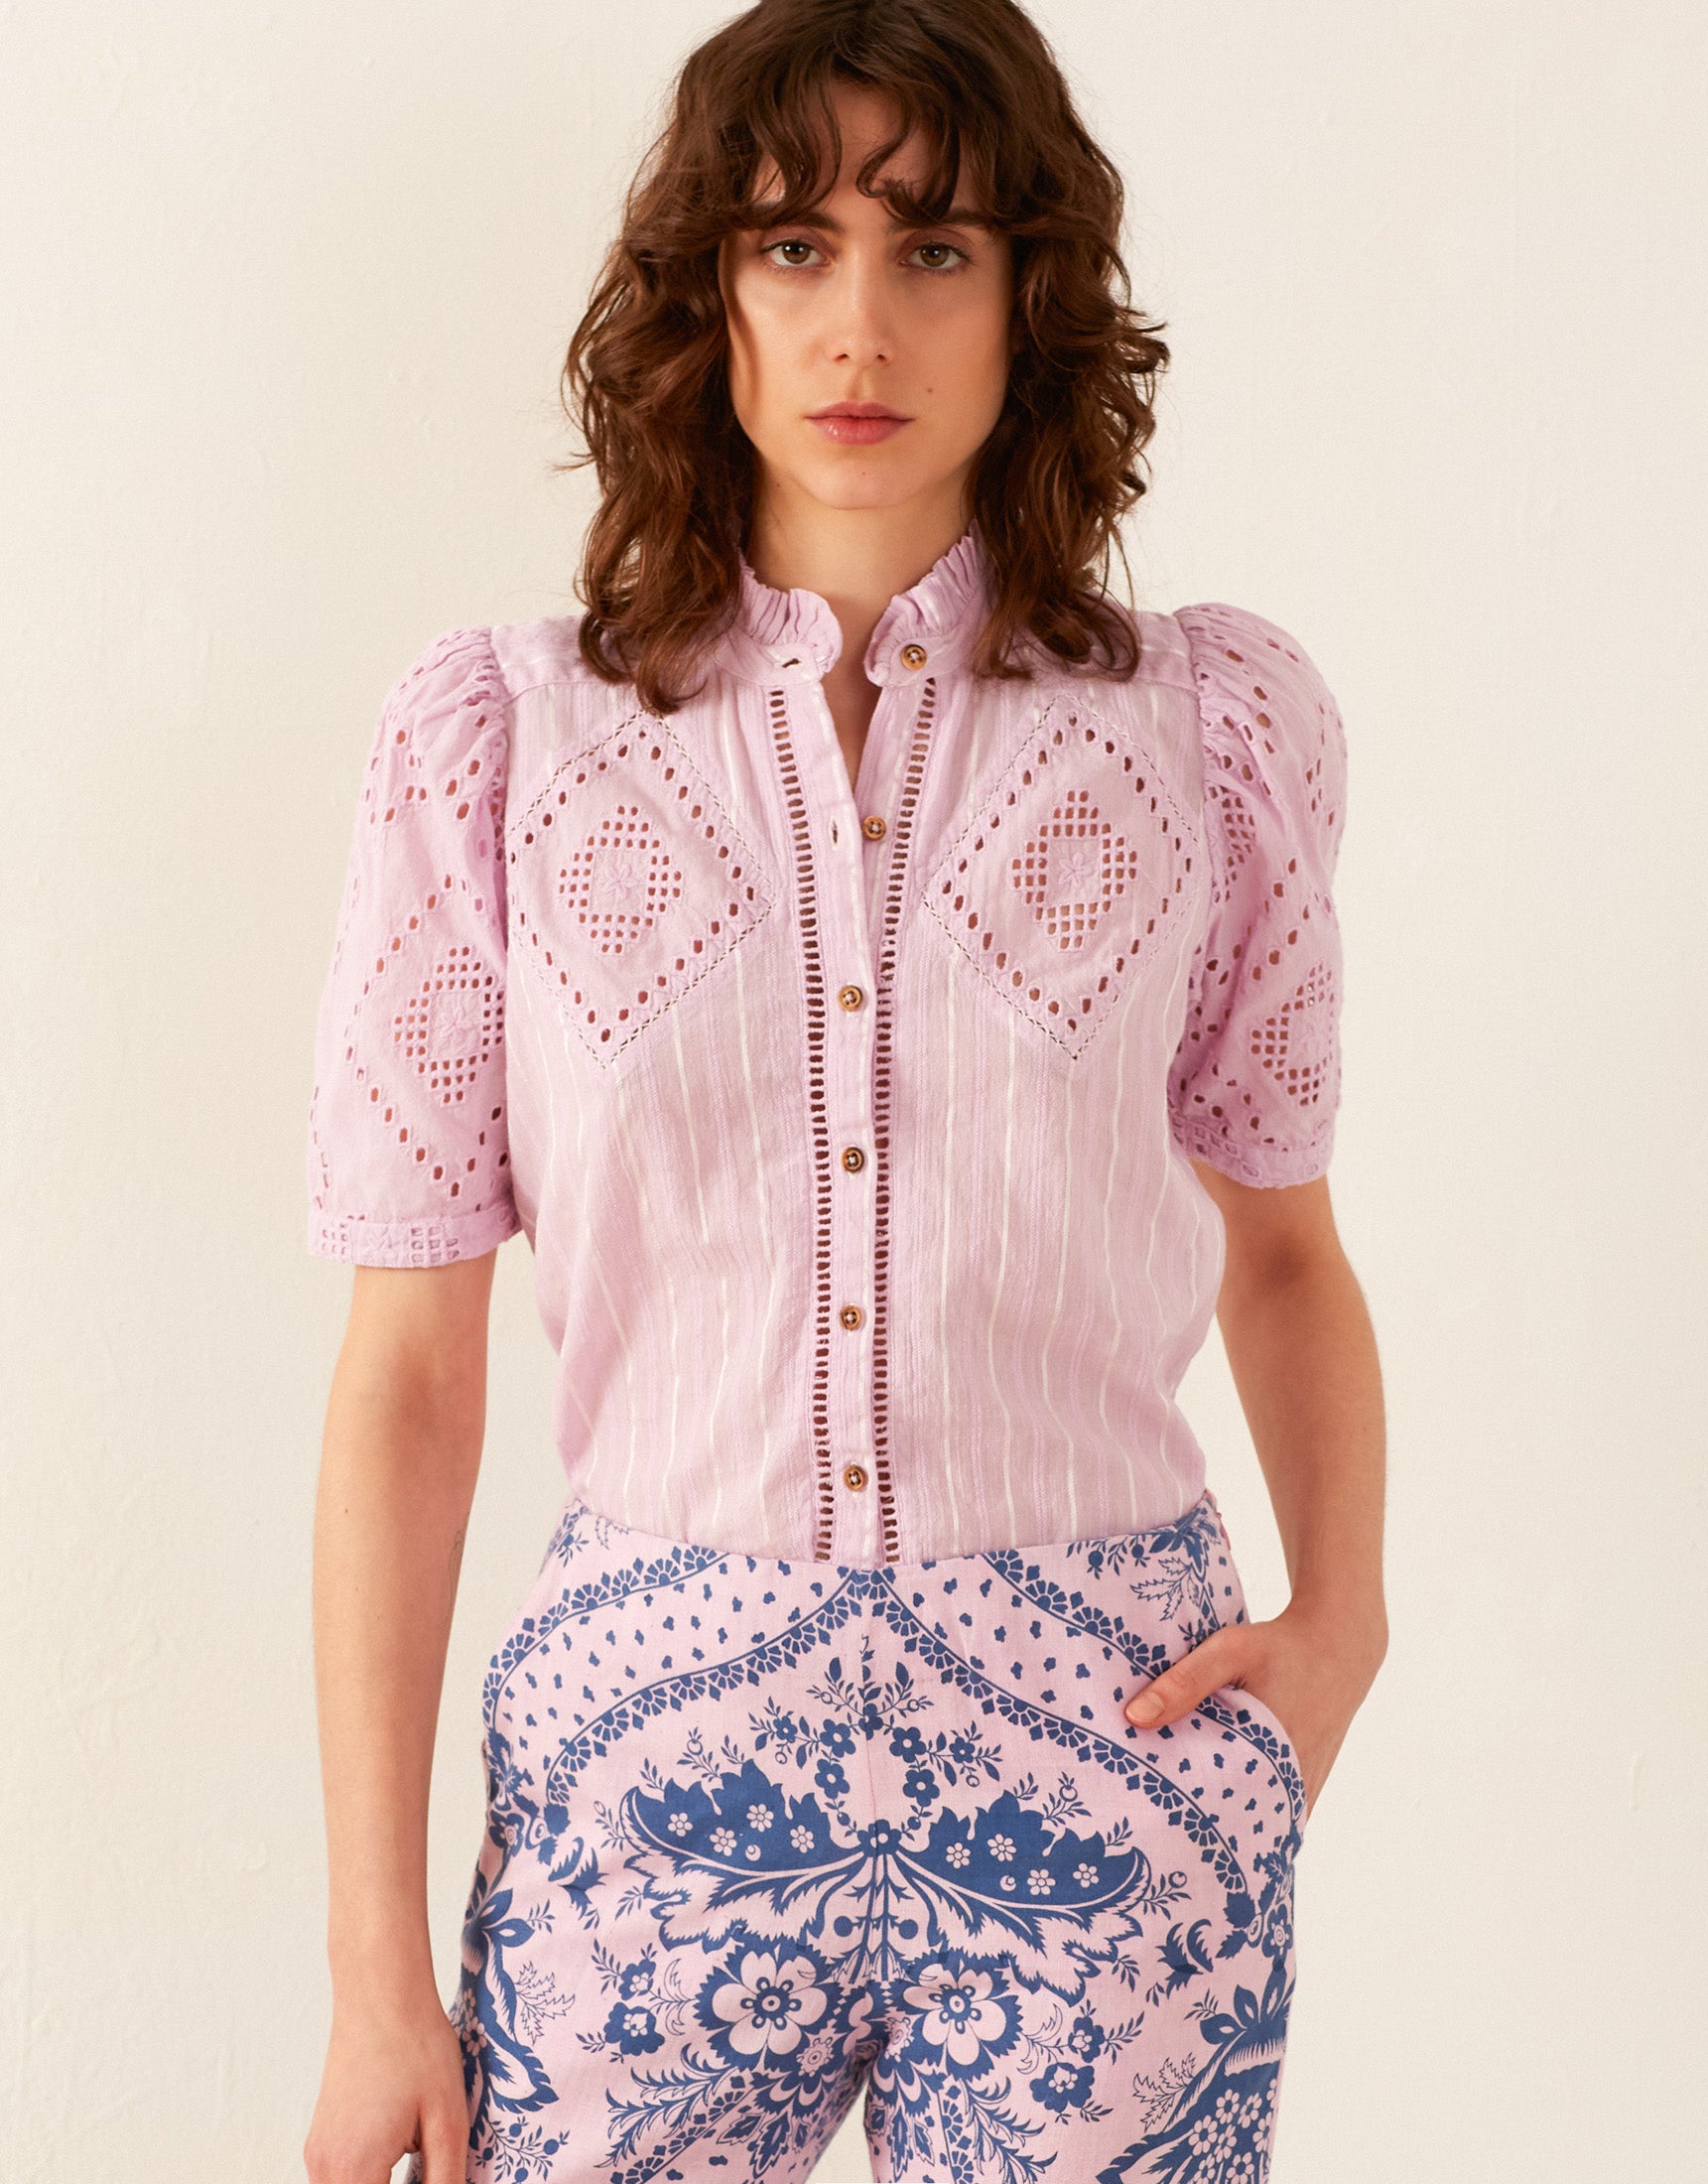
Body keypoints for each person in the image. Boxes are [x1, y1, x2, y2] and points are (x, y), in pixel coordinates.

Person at [300, 4, 1388, 2180]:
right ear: (709, 296)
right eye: (792, 248)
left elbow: (1281, 1246)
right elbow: (407, 1377)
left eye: (935, 250)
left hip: (1110, 1747)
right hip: (642, 1768)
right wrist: (373, 1976)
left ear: (1034, 298)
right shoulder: (499, 754)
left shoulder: (1205, 738)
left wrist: (1342, 1623)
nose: (857, 321)